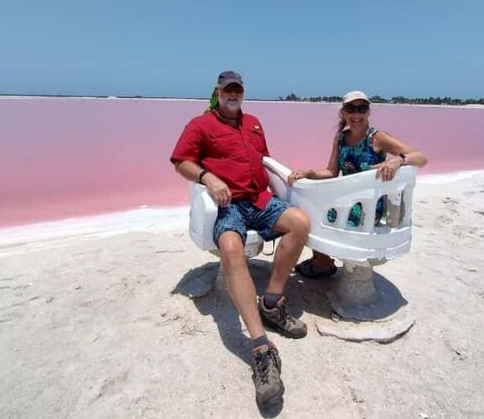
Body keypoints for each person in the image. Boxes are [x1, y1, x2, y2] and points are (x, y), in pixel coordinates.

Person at [170, 70, 310, 413]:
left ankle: (272, 301)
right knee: (231, 247)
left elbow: (261, 159)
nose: (233, 94)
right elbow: (180, 162)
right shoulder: (200, 125)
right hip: (227, 204)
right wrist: (207, 177)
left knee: (299, 222)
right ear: (217, 93)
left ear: (243, 92)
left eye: (238, 89)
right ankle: (261, 347)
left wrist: (285, 175)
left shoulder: (255, 122)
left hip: (259, 201)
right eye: (227, 89)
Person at [287, 90, 428, 278]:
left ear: (368, 112)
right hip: (347, 202)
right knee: (307, 210)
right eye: (351, 109)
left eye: (362, 109)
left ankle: (321, 262)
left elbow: (421, 157)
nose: (356, 115)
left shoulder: (377, 138)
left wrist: (398, 160)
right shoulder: (341, 138)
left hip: (368, 209)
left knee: (314, 214)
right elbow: (331, 171)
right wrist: (309, 173)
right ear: (343, 113)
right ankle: (322, 261)